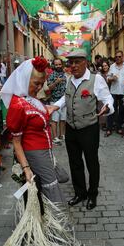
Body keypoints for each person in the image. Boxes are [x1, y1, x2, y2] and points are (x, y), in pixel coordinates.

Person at [1, 57, 85, 246]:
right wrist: (26, 168)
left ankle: (43, 235)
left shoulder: (32, 100)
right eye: (35, 83)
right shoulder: (17, 104)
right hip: (34, 155)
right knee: (53, 195)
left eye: (41, 83)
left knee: (50, 188)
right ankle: (60, 242)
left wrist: (53, 107)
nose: (39, 87)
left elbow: (41, 117)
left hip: (45, 153)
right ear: (24, 80)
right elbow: (16, 142)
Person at [50, 49, 114, 210]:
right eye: (71, 62)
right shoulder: (69, 79)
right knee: (75, 162)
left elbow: (107, 98)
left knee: (92, 163)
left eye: (77, 62)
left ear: (85, 62)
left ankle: (92, 194)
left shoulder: (96, 79)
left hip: (89, 128)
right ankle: (80, 193)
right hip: (71, 128)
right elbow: (66, 98)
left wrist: (108, 107)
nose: (73, 65)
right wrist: (53, 107)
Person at [105, 50, 124, 136]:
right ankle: (109, 129)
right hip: (114, 91)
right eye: (116, 57)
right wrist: (111, 79)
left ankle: (119, 127)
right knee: (111, 109)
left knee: (122, 111)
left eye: (120, 56)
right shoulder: (112, 66)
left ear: (123, 57)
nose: (118, 58)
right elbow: (107, 78)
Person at [47, 58, 67, 144]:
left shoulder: (64, 74)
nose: (58, 66)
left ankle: (61, 135)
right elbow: (48, 88)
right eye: (56, 64)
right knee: (54, 120)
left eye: (59, 64)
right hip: (54, 100)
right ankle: (54, 137)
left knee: (63, 119)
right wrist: (56, 82)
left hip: (64, 99)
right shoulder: (51, 75)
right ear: (54, 65)